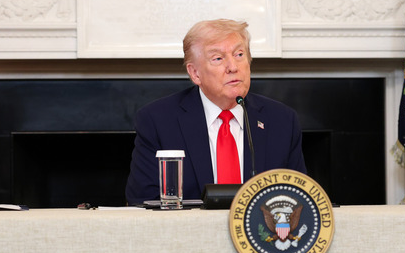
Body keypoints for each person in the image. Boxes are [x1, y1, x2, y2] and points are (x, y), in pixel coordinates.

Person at [125, 19, 307, 205]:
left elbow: (299, 199)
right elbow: (142, 204)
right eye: (218, 58)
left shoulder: (282, 120)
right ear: (195, 73)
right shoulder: (158, 121)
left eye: (239, 54)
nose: (233, 67)